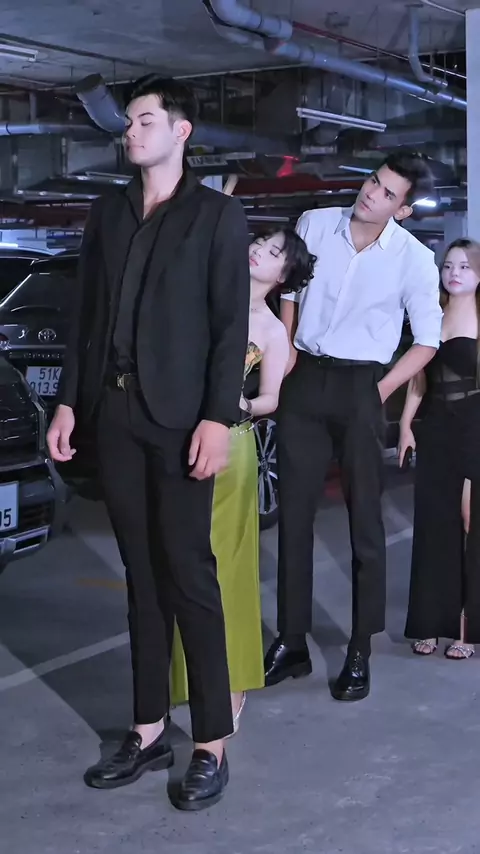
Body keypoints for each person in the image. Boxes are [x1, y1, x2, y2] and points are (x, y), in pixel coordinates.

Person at [46, 75, 250, 811]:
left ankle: (211, 741)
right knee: (140, 577)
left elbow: (230, 328)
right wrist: (69, 401)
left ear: (180, 131)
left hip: (182, 420)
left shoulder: (217, 216)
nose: (130, 132)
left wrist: (216, 418)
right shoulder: (109, 212)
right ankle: (148, 728)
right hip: (116, 413)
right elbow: (86, 318)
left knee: (189, 574)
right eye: (129, 122)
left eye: (144, 120)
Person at [264, 151, 443, 702]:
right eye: (373, 181)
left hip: (363, 386)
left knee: (364, 520)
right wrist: (287, 351)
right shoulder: (316, 223)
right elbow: (290, 290)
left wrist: (380, 391)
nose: (371, 194)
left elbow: (428, 341)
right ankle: (292, 641)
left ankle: (360, 648)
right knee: (293, 517)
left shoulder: (414, 259)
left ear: (403, 209)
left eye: (388, 193)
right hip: (304, 379)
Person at [169, 228, 316, 729]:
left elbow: (271, 398)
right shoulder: (208, 298)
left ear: (283, 277)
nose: (259, 251)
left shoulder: (272, 330)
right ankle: (184, 681)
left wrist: (243, 404)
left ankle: (229, 685)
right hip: (179, 436)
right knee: (180, 564)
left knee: (225, 569)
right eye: (261, 242)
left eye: (274, 253)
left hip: (232, 445)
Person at [401, 238, 480, 660]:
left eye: (465, 266)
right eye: (448, 265)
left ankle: (466, 629)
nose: (454, 273)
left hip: (474, 428)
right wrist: (405, 425)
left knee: (470, 524)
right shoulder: (431, 313)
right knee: (433, 525)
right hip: (435, 429)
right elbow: (419, 378)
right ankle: (430, 623)